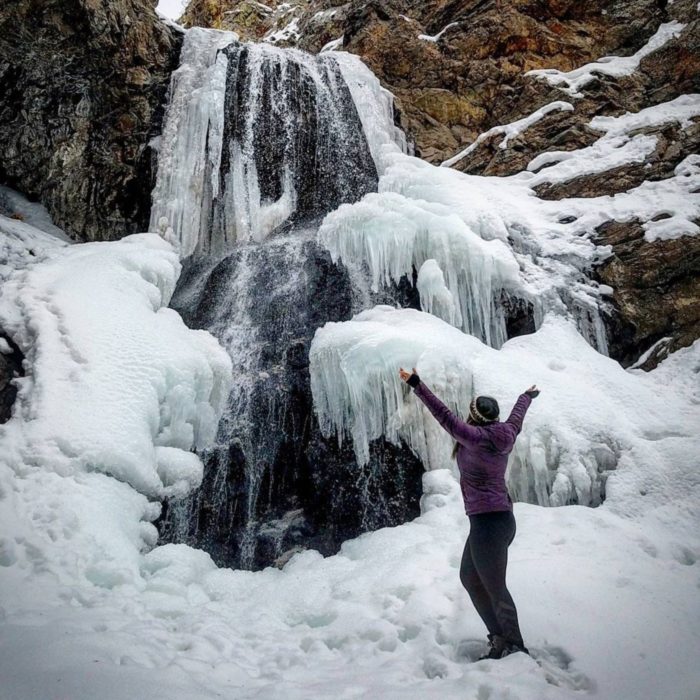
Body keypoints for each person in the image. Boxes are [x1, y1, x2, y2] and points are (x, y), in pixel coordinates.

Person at [399, 367, 539, 660]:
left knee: (495, 587)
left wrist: (416, 383)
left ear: (473, 416)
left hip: (489, 523)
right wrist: (526, 396)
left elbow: (444, 415)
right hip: (496, 520)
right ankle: (500, 638)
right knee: (470, 577)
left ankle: (516, 647)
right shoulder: (506, 432)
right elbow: (517, 417)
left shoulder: (474, 437)